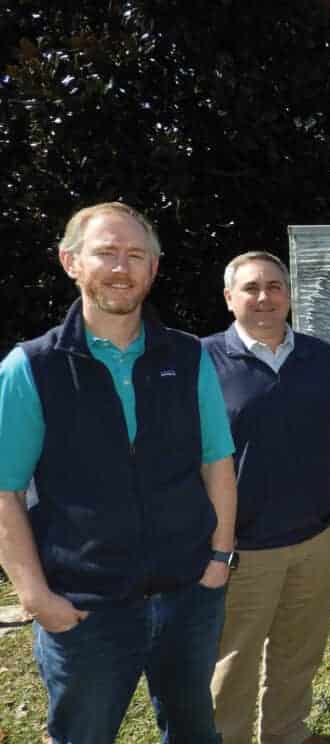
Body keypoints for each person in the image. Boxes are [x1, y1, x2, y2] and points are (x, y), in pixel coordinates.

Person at [0, 202, 237, 744]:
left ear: (153, 270)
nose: (121, 267)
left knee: (195, 733)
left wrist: (219, 559)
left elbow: (216, 462)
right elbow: (5, 491)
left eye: (136, 255)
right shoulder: (31, 367)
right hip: (85, 611)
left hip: (188, 598)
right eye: (106, 252)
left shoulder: (188, 357)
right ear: (70, 261)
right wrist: (37, 598)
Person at [204, 251, 330, 744]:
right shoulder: (201, 361)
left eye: (275, 286)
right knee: (232, 660)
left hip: (315, 539)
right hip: (241, 549)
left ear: (289, 296)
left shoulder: (321, 357)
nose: (264, 297)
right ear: (230, 298)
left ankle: (286, 733)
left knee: (300, 651)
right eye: (250, 287)